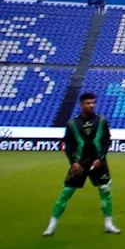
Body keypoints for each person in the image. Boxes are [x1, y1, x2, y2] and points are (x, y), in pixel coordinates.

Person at [43, 93, 120, 237]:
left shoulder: (102, 121)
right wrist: (73, 163)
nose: (91, 105)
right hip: (80, 163)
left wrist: (101, 158)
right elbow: (69, 146)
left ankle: (109, 224)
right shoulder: (72, 123)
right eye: (88, 103)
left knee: (105, 190)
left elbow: (106, 141)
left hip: (98, 163)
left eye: (93, 103)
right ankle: (51, 226)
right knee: (66, 192)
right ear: (81, 105)